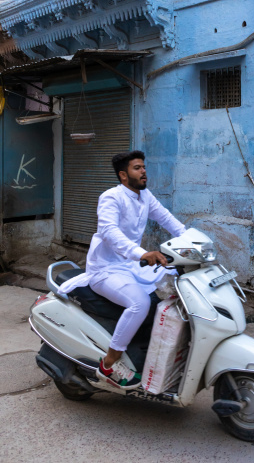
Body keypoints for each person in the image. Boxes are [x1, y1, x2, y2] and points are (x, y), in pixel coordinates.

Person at [57, 150, 185, 390]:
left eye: (143, 167)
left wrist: (194, 242)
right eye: (138, 168)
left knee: (174, 282)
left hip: (131, 266)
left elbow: (167, 219)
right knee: (140, 304)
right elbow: (109, 231)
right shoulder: (111, 197)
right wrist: (141, 253)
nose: (144, 171)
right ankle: (110, 362)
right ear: (124, 175)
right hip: (106, 270)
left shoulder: (145, 197)